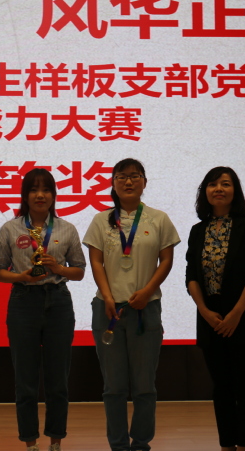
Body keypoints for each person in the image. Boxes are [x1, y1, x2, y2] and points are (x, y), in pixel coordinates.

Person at [83, 158, 179, 451]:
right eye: (121, 177)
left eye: (135, 176)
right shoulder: (101, 220)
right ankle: (118, 444)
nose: (128, 181)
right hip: (108, 309)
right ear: (113, 183)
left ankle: (140, 443)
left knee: (144, 385)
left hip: (145, 309)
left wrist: (148, 291)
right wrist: (107, 296)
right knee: (114, 387)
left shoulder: (159, 219)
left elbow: (166, 260)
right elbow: (96, 262)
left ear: (144, 182)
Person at [0, 168, 86, 451]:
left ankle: (56, 441)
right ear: (25, 195)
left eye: (46, 189)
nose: (40, 195)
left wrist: (58, 268)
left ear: (53, 195)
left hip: (58, 302)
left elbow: (79, 271)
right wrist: (21, 276)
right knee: (25, 380)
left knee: (58, 380)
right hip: (23, 302)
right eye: (33, 189)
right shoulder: (10, 229)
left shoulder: (67, 228)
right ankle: (30, 443)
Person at [185, 167, 245, 451]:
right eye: (212, 184)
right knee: (221, 387)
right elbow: (191, 276)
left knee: (244, 386)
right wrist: (205, 311)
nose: (218, 189)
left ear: (235, 191)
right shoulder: (198, 231)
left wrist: (236, 314)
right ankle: (226, 446)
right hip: (210, 317)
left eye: (225, 184)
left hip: (242, 315)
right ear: (204, 192)